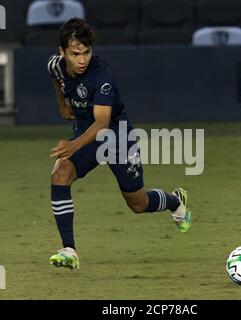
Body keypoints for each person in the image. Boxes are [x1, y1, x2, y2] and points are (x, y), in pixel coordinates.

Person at [48, 18, 192, 270]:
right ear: (62, 53)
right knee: (60, 173)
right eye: (74, 54)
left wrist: (73, 146)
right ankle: (69, 250)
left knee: (138, 204)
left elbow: (102, 122)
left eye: (86, 53)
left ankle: (175, 202)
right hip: (86, 133)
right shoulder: (56, 65)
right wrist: (61, 103)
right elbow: (54, 76)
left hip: (116, 136)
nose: (81, 59)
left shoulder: (102, 75)